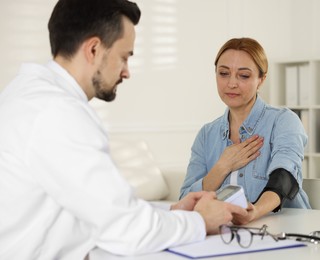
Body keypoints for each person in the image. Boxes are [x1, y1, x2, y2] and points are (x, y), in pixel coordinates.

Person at [0, 1, 248, 259]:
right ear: (94, 49)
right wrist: (199, 221)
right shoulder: (57, 113)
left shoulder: (28, 95)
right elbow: (125, 230)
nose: (127, 72)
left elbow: (99, 210)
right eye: (124, 57)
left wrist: (172, 215)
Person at [179, 37, 311, 225]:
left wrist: (255, 211)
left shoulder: (283, 121)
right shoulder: (206, 135)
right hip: (226, 236)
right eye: (223, 73)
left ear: (261, 79)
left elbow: (285, 177)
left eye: (244, 76)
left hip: (283, 232)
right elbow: (185, 199)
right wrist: (222, 166)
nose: (231, 83)